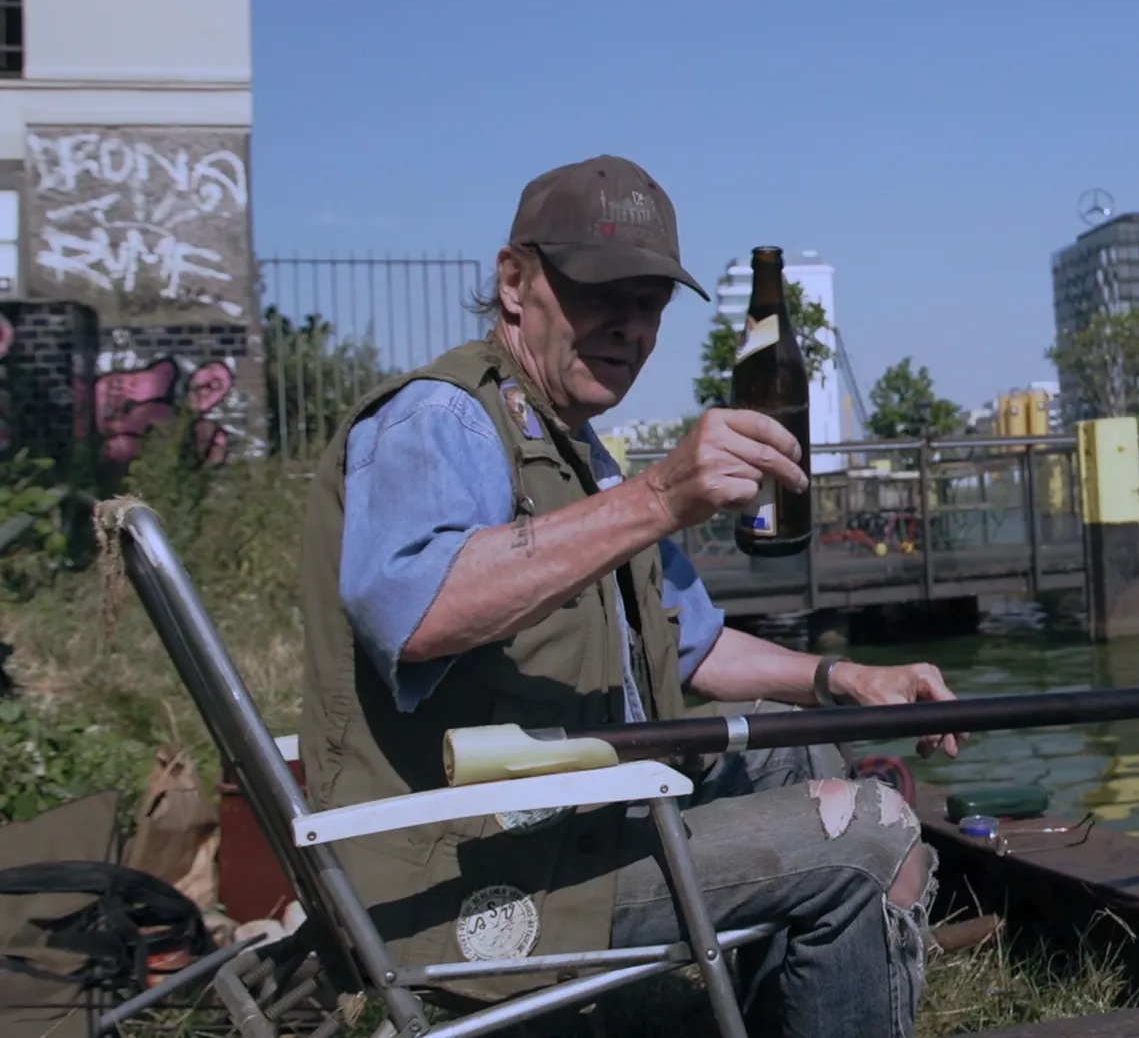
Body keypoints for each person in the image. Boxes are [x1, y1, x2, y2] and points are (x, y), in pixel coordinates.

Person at [298, 155, 957, 1038]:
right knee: (869, 826)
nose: (630, 326)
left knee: (802, 751)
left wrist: (846, 677)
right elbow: (419, 612)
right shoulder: (442, 419)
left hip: (581, 821)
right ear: (513, 282)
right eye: (599, 293)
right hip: (477, 868)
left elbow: (696, 644)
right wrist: (658, 498)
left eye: (650, 304)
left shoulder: (584, 454)